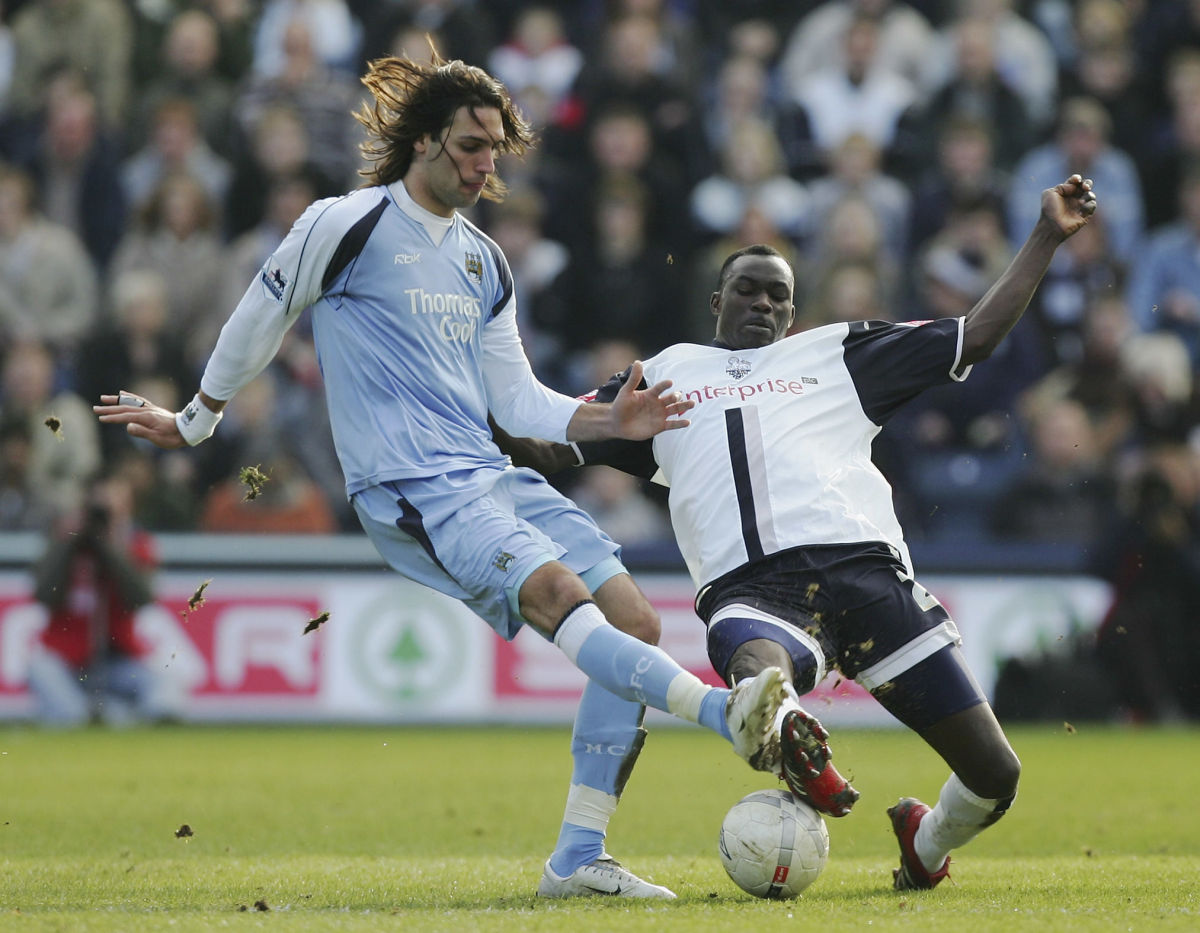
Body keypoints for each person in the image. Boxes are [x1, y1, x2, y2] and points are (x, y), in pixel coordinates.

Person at [94, 49, 794, 900]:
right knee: (553, 592)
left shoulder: (483, 262)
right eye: (471, 145)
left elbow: (518, 399)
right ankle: (723, 712)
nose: (485, 164)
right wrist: (193, 419)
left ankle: (577, 857)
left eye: (495, 148)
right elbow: (259, 314)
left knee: (637, 622)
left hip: (487, 471)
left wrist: (606, 420)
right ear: (424, 141)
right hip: (411, 488)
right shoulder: (344, 224)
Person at [500, 175, 1099, 890]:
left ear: (794, 309)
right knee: (760, 672)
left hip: (872, 582)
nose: (763, 303)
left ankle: (924, 840)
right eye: (748, 290)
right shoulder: (661, 376)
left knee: (996, 775)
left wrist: (1045, 235)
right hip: (755, 589)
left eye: (778, 294)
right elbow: (544, 439)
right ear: (717, 300)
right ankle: (780, 727)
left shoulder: (841, 351)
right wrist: (455, 397)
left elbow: (978, 334)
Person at [26, 473, 173, 725]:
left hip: (118, 660)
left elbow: (142, 598)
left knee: (167, 686)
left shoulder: (137, 544)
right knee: (39, 668)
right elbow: (43, 595)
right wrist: (71, 542)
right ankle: (83, 718)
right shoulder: (63, 539)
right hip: (67, 661)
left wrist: (108, 548)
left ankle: (118, 718)